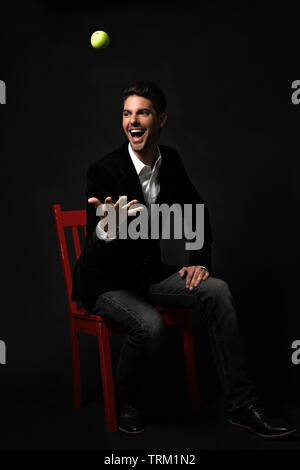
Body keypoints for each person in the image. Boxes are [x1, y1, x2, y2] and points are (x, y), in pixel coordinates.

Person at [71, 81, 296, 438]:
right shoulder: (104, 171)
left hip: (148, 275)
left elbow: (196, 211)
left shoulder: (169, 160)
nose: (133, 120)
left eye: (142, 112)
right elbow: (94, 250)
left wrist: (200, 262)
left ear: (160, 119)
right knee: (150, 325)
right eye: (127, 113)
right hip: (105, 282)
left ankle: (243, 406)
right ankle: (126, 400)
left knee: (216, 290)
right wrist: (106, 231)